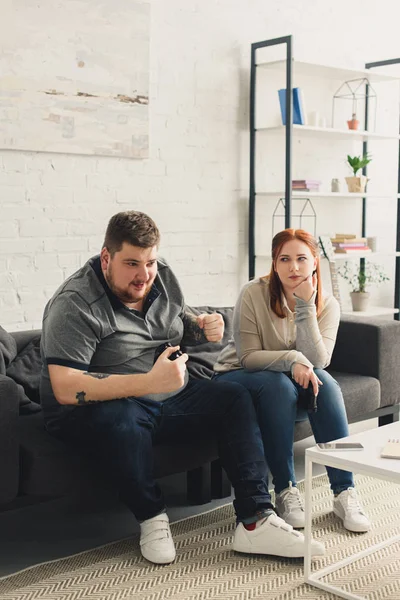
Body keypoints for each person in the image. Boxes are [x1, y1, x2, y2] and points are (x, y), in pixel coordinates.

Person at [40, 212, 324, 565]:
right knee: (123, 415)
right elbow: (66, 388)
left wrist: (201, 327)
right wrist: (149, 382)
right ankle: (152, 518)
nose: (143, 275)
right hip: (97, 408)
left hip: (164, 397)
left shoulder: (160, 277)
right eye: (131, 263)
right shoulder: (75, 303)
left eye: (150, 262)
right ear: (106, 258)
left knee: (234, 396)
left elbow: (174, 326)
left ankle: (256, 521)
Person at [214, 228, 371, 533]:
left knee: (324, 384)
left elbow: (320, 360)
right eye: (284, 259)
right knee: (278, 385)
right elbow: (248, 357)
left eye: (301, 258)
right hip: (236, 377)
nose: (293, 267)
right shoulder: (253, 293)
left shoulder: (328, 304)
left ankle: (344, 492)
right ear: (274, 264)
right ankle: (285, 489)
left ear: (315, 262)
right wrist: (293, 359)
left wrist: (305, 307)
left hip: (287, 377)